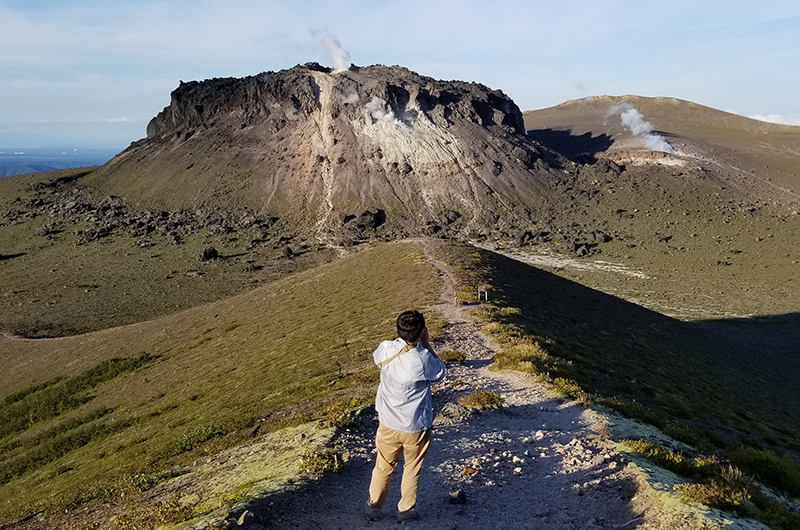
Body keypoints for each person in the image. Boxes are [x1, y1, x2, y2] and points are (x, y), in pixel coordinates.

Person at [365, 310, 446, 522]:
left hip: (388, 421)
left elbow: (377, 358)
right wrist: (427, 344)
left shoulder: (386, 348)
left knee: (383, 466)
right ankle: (405, 511)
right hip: (415, 425)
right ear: (421, 333)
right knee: (412, 468)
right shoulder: (422, 359)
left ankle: (373, 509)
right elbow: (441, 372)